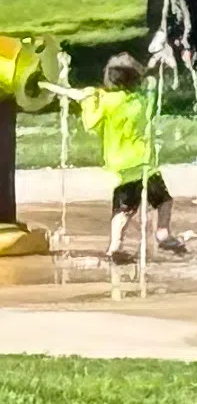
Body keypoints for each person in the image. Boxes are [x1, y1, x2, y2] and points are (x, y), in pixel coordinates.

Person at [53, 53, 183, 264]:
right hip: (145, 163)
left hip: (122, 166)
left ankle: (115, 247)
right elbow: (150, 96)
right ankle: (163, 233)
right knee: (164, 201)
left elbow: (91, 124)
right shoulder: (141, 101)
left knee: (123, 210)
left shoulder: (106, 102)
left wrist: (88, 101)